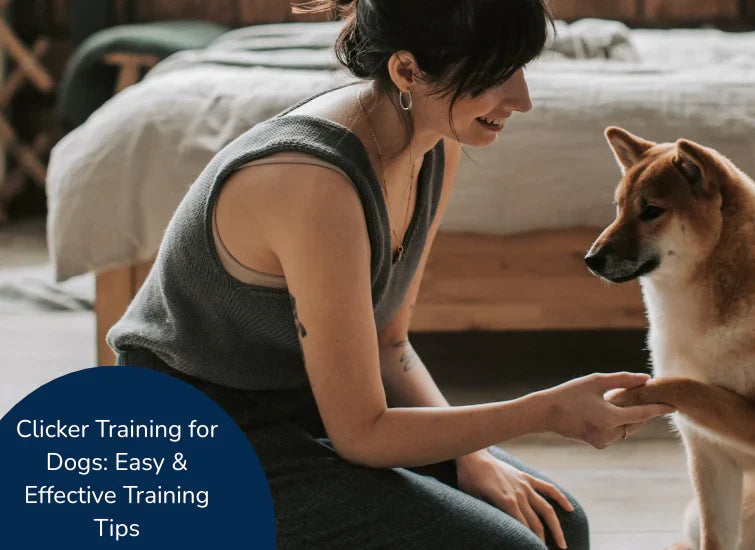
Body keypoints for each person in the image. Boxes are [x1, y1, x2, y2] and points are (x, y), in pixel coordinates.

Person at [107, 0, 675, 548]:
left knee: (556, 525)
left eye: (521, 66)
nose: (521, 98)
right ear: (407, 69)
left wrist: (471, 457)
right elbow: (362, 433)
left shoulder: (432, 141)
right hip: (189, 441)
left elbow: (388, 341)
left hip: (300, 400)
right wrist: (544, 410)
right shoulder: (315, 184)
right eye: (496, 73)